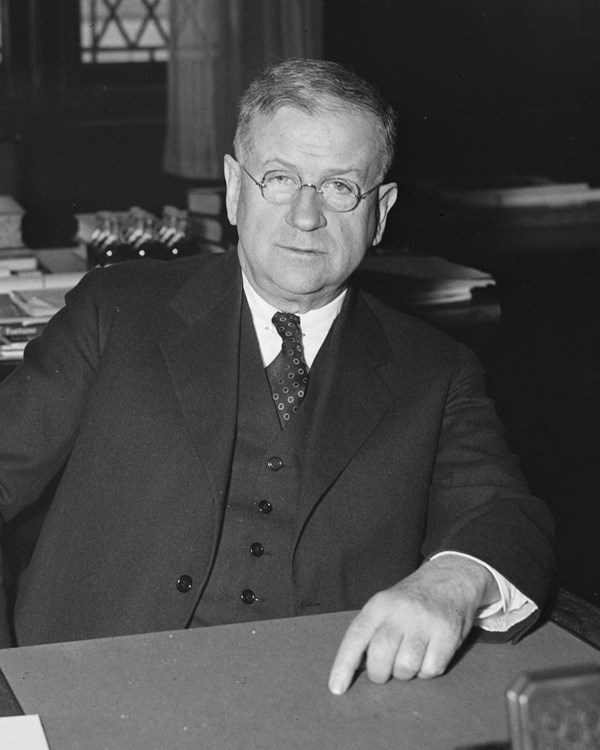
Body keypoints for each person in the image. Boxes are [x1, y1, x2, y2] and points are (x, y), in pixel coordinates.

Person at [0, 58, 554, 695]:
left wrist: (453, 579)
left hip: (322, 711)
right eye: (280, 178)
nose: (306, 215)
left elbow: (508, 516)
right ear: (235, 188)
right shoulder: (116, 312)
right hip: (88, 697)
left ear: (381, 211)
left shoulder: (437, 370)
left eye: (340, 187)